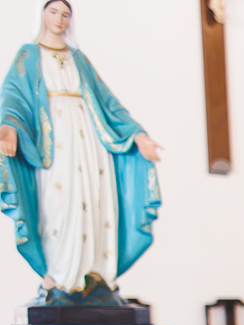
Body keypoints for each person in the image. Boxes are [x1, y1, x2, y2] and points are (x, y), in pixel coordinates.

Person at [0, 0, 161, 299]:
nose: (59, 19)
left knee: (94, 200)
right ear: (42, 14)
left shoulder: (78, 59)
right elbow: (13, 98)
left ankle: (93, 273)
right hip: (55, 142)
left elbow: (107, 102)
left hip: (89, 141)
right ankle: (60, 276)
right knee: (59, 203)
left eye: (65, 14)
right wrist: (8, 128)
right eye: (53, 12)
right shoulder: (29, 55)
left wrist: (137, 135)